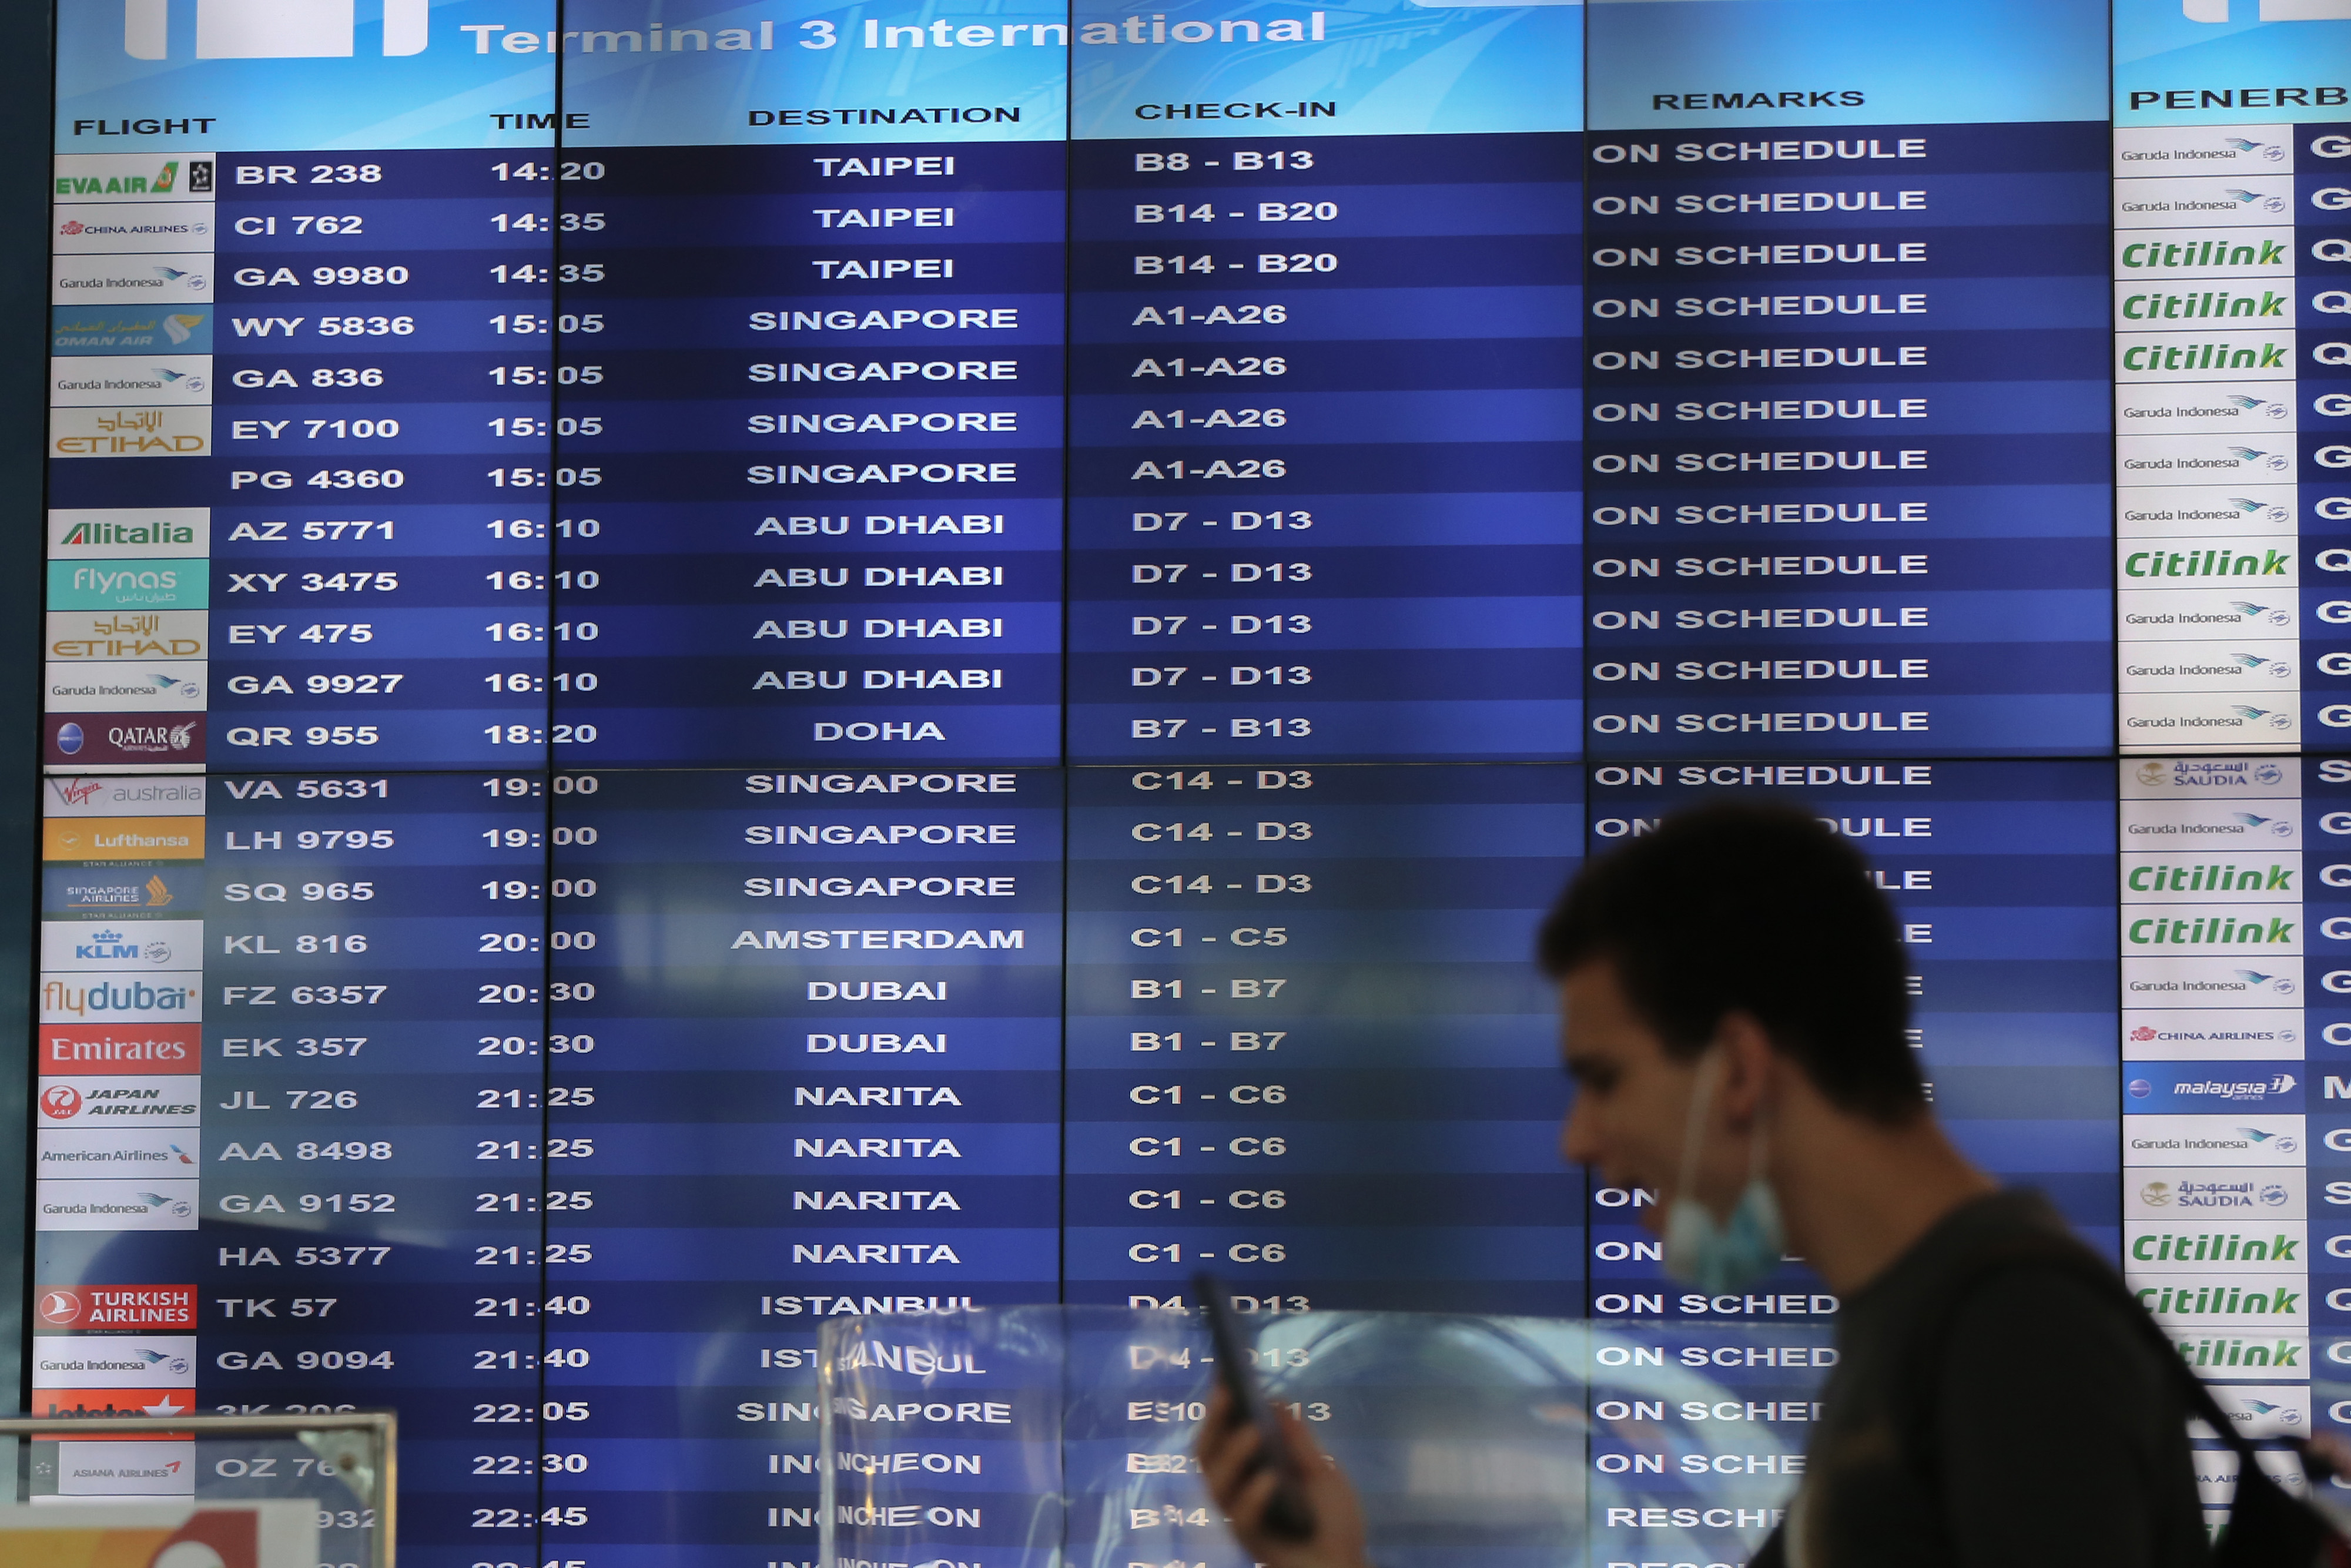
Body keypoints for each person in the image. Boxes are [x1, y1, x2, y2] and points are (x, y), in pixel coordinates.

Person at [1197, 800, 2208, 1568]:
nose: (1577, 1141)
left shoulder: (2016, 1333)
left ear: (1737, 1068)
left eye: (1606, 1080)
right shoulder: (1911, 1327)